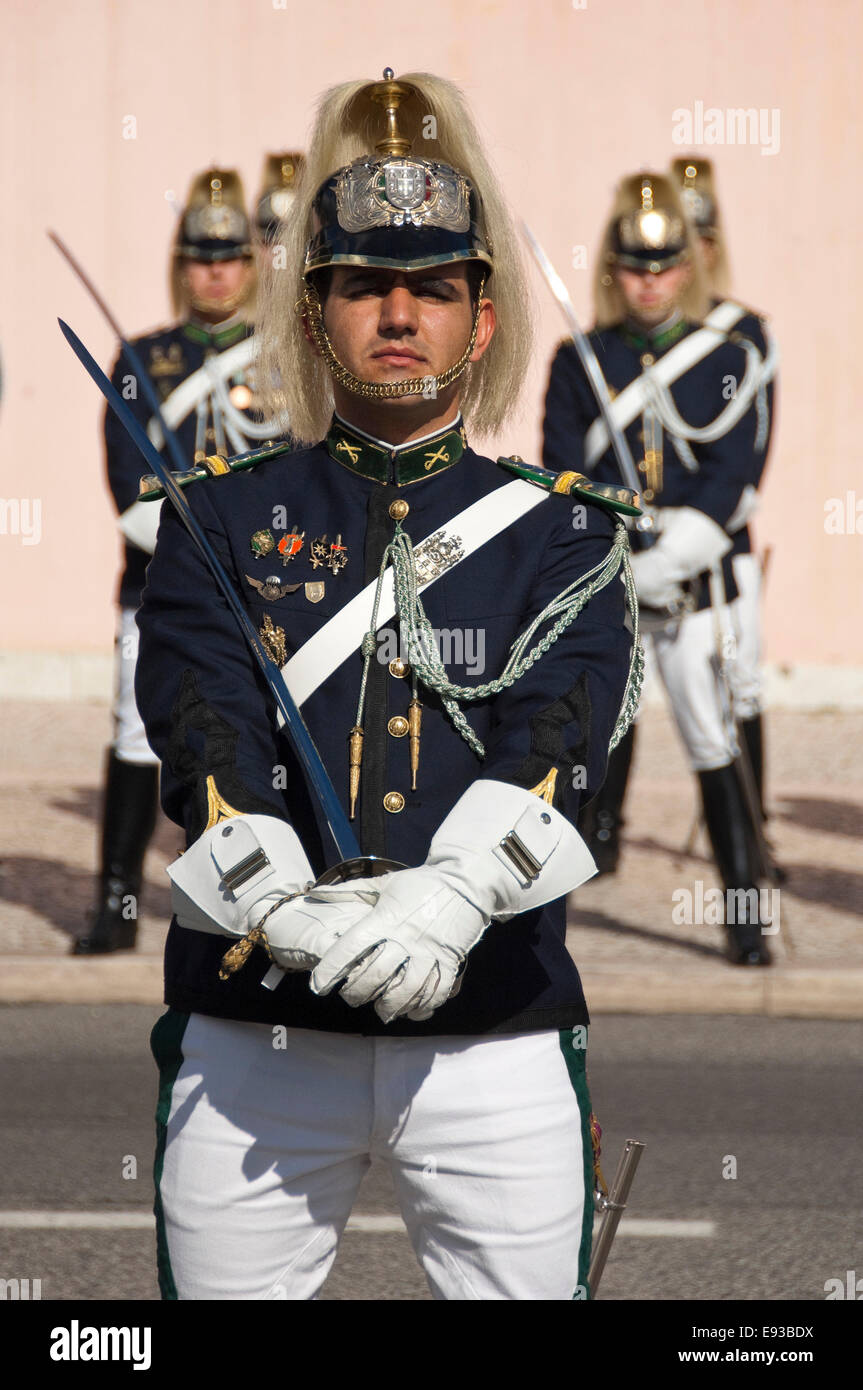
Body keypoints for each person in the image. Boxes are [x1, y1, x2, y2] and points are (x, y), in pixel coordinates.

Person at [135, 70, 640, 1300]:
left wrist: (456, 899)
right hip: (258, 1031)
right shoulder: (215, 519)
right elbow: (200, 728)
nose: (397, 312)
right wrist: (283, 905)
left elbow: (563, 735)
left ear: (481, 312)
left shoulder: (562, 535)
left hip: (492, 1030)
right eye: (363, 285)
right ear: (316, 314)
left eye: (432, 286)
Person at [543, 171, 771, 966]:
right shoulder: (580, 359)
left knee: (715, 746)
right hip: (614, 580)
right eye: (636, 267)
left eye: (666, 265)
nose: (650, 281)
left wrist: (672, 554)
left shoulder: (732, 353)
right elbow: (563, 478)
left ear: (690, 264)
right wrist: (626, 561)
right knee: (584, 741)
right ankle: (545, 925)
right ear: (612, 268)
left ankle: (745, 921)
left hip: (696, 585)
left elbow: (732, 474)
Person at [73, 168, 277, 955]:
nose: (215, 272)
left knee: (255, 742)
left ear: (250, 264)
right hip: (158, 589)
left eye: (228, 256)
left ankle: (251, 904)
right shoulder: (141, 358)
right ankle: (116, 907)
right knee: (135, 733)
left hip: (264, 591)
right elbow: (132, 495)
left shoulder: (285, 361)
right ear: (180, 264)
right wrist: (211, 548)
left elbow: (299, 475)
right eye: (200, 257)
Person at [671, 157, 778, 824]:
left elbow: (751, 450)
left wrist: (703, 526)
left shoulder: (741, 332)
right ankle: (605, 833)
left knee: (739, 683)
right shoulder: (635, 345)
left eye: (698, 243)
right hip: (653, 542)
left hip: (723, 537)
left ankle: (753, 823)